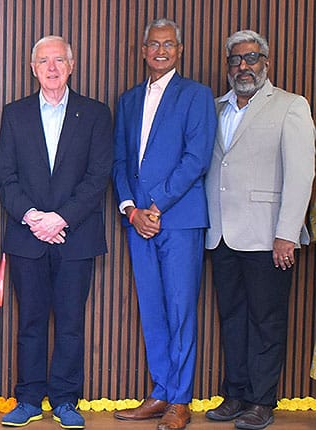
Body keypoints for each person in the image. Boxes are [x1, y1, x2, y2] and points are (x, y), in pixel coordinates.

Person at [0, 35, 113, 429]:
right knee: (29, 323)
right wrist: (33, 218)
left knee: (70, 323)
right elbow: (5, 177)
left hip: (76, 237)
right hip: (27, 237)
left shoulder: (95, 114)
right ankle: (29, 399)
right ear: (33, 68)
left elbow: (98, 177)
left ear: (71, 65)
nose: (51, 67)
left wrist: (60, 218)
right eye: (44, 61)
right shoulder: (14, 114)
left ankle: (65, 400)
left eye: (59, 60)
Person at [204, 30, 315, 430]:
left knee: (266, 320)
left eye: (251, 58)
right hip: (222, 234)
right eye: (235, 60)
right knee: (232, 317)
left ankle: (261, 400)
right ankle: (236, 394)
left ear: (266, 62)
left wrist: (287, 232)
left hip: (269, 237)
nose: (243, 66)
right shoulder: (215, 107)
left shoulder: (290, 105)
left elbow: (301, 175)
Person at [111, 18, 216, 430]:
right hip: (138, 222)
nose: (160, 51)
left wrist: (155, 206)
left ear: (180, 50)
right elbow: (119, 160)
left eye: (168, 44)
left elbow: (197, 158)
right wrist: (131, 210)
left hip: (179, 220)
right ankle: (160, 392)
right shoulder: (128, 99)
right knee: (152, 310)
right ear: (143, 51)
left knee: (180, 309)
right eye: (153, 44)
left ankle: (180, 400)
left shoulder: (197, 95)